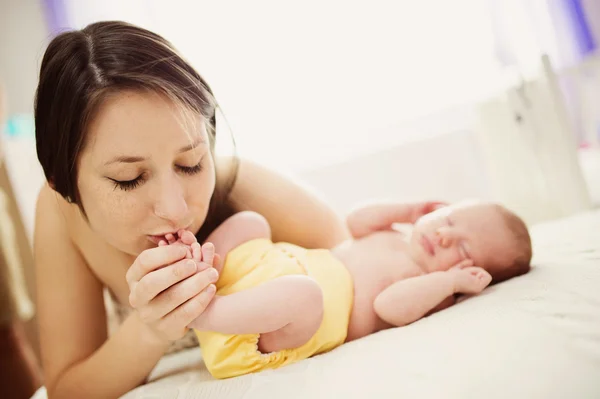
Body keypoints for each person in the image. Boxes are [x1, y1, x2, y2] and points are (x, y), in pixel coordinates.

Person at [33, 21, 354, 398]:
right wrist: (151, 331)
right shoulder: (61, 214)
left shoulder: (243, 188)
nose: (175, 208)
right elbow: (66, 389)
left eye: (190, 164)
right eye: (129, 178)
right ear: (62, 181)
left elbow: (353, 268)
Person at [156, 200, 532, 379]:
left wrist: (449, 283)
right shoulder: (396, 234)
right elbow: (355, 221)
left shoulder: (433, 289)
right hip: (261, 273)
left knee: (306, 294)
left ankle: (198, 312)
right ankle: (197, 269)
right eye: (449, 219)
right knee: (252, 221)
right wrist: (404, 211)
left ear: (473, 275)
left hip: (270, 328)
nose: (445, 235)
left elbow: (390, 307)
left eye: (463, 249)